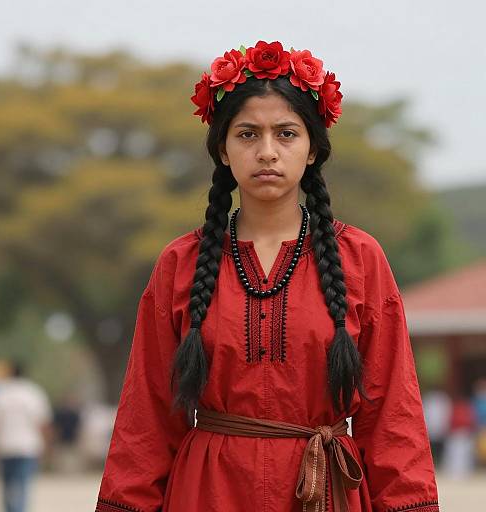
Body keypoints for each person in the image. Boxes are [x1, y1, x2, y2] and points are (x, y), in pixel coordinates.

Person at [95, 40, 440, 512]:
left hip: (325, 490)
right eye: (247, 134)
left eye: (286, 134)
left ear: (313, 149)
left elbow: (393, 415)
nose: (267, 152)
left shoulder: (359, 258)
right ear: (222, 148)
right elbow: (147, 416)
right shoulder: (181, 263)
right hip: (209, 492)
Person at [0, 360, 53, 512]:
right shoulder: (33, 393)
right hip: (27, 447)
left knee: (6, 486)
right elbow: (43, 423)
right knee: (22, 485)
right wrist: (48, 445)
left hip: (3, 446)